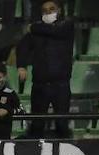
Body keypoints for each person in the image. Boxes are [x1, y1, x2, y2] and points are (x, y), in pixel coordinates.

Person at [17, 1, 73, 139]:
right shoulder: (36, 32)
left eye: (52, 9)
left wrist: (33, 27)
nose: (48, 12)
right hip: (40, 84)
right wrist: (22, 66)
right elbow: (22, 47)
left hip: (61, 84)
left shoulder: (67, 26)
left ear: (59, 10)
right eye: (45, 10)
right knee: (37, 123)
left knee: (62, 123)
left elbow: (56, 31)